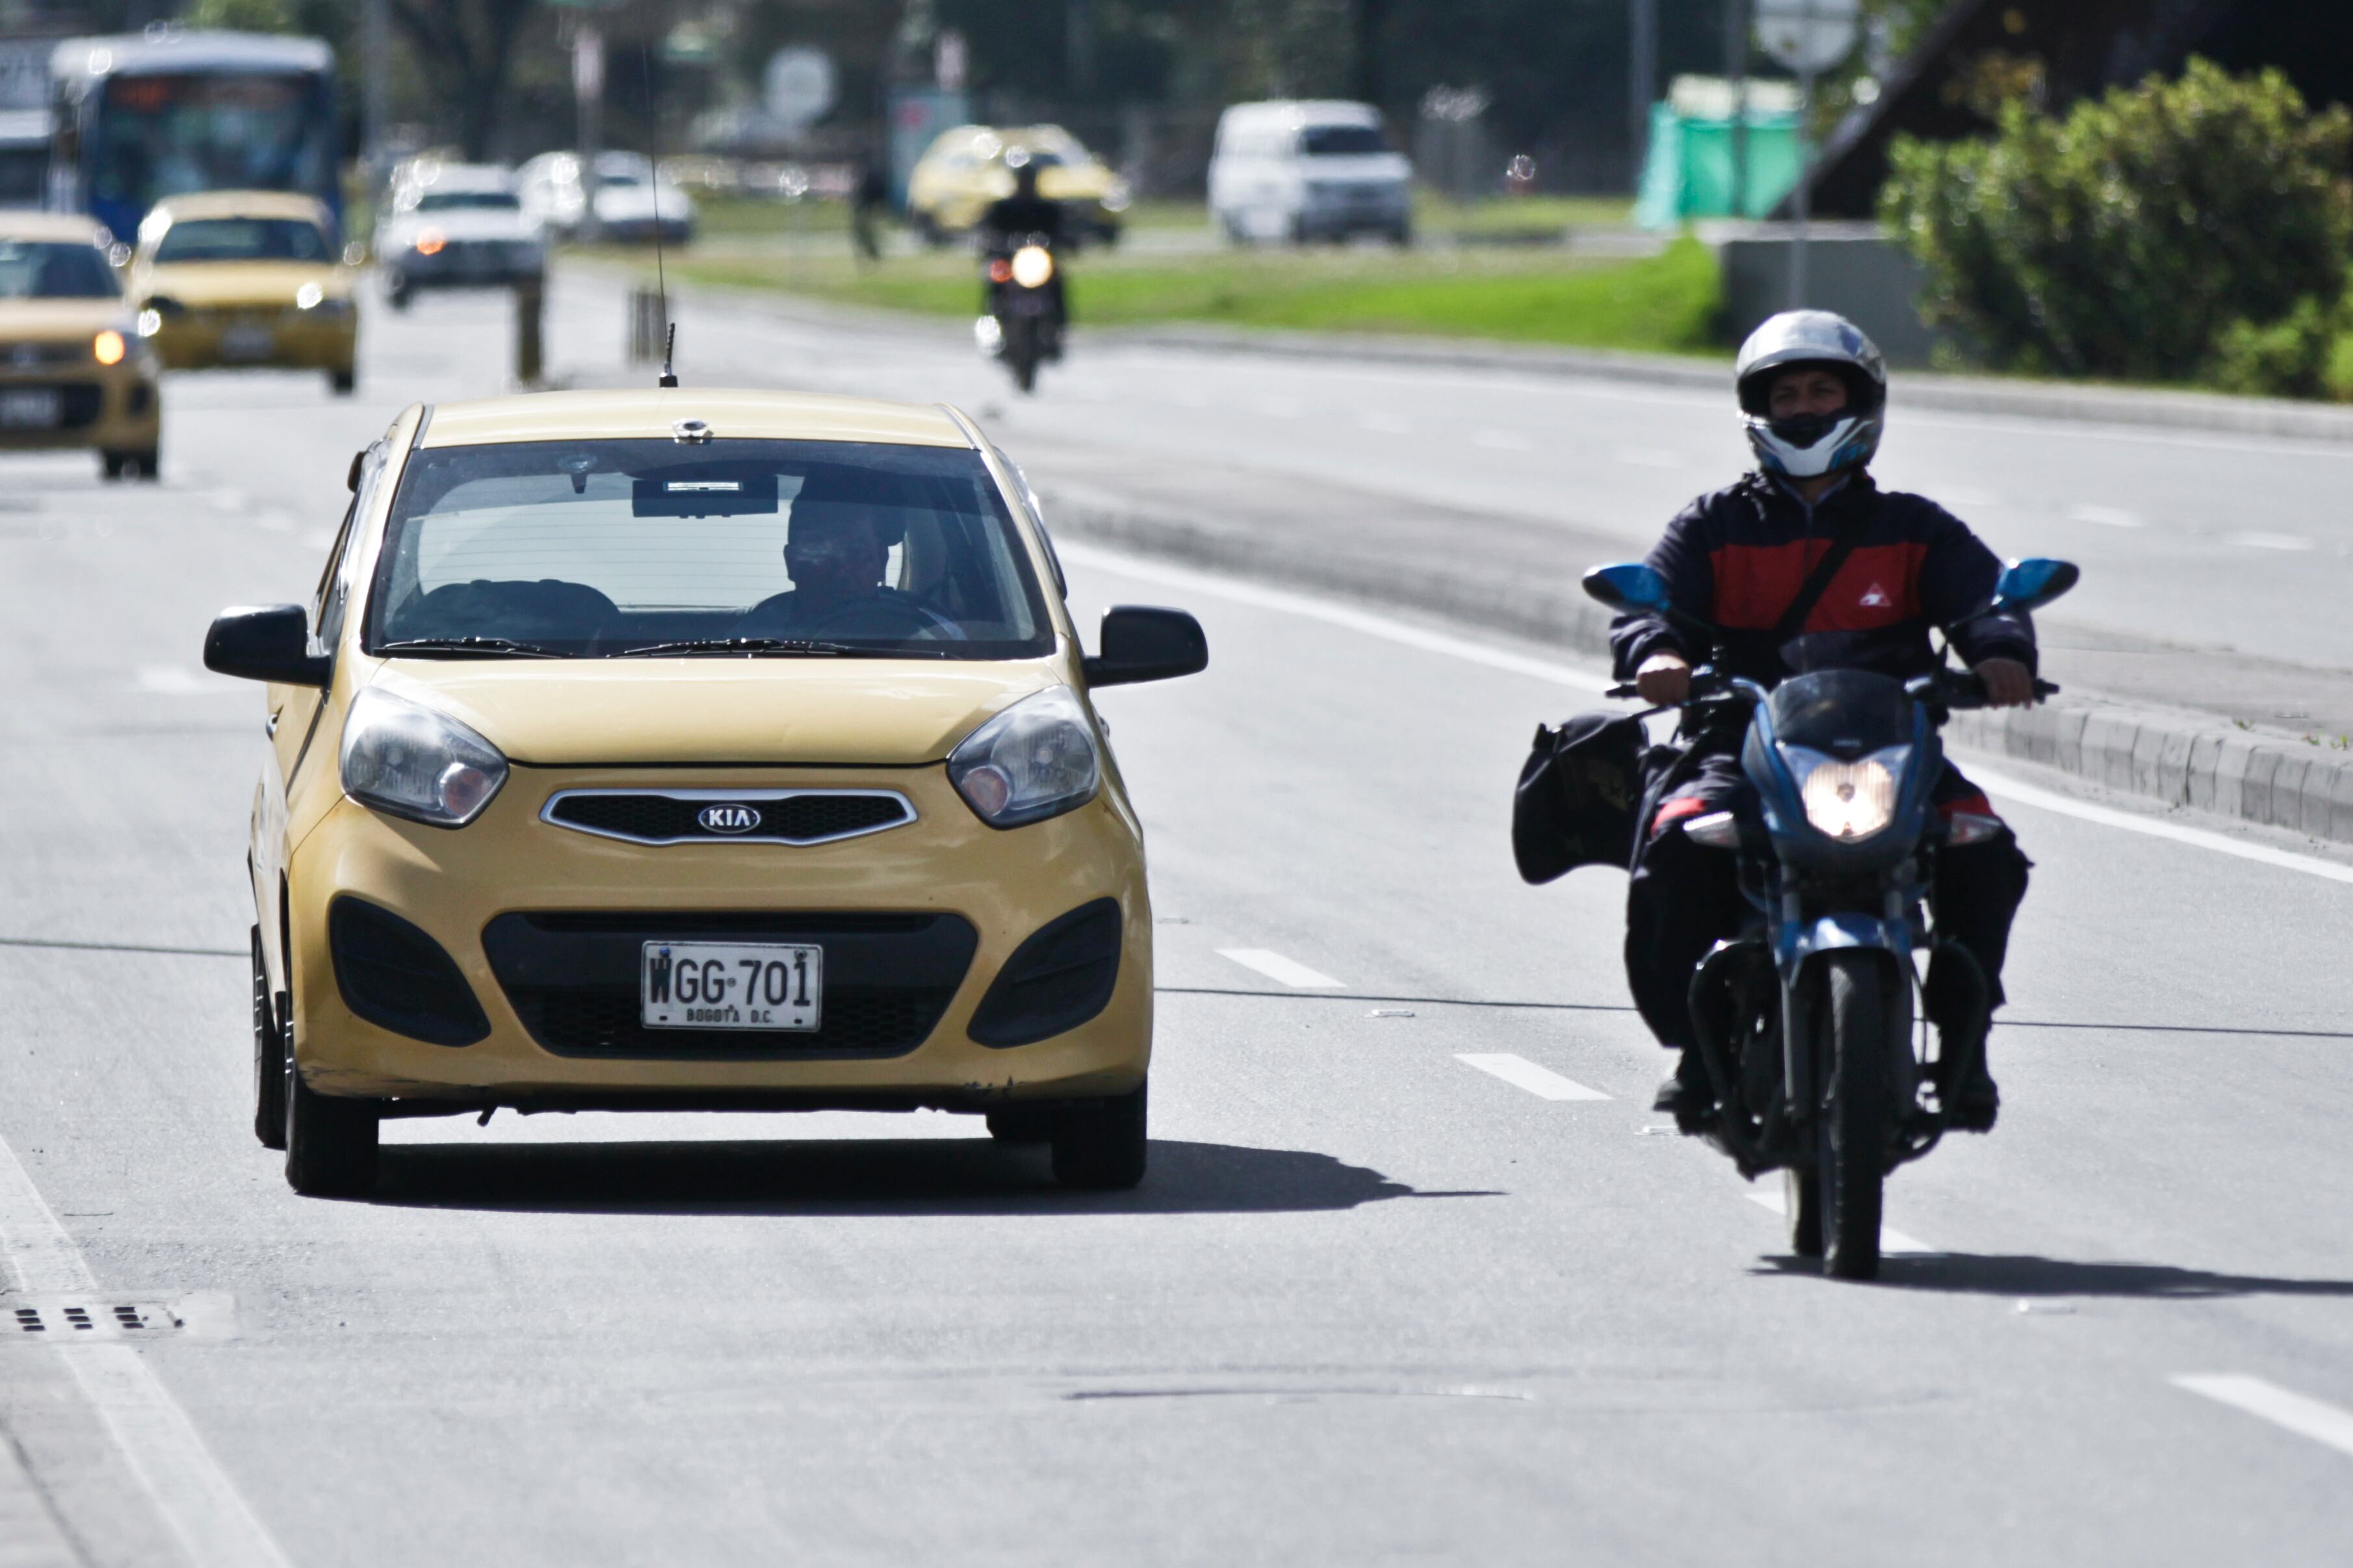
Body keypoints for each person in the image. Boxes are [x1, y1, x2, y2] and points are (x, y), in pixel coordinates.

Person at [1609, 309, 2035, 1133]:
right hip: (1740, 748)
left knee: (1985, 852)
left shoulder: (1914, 527)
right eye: (1786, 396)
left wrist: (2000, 651)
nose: (1803, 409)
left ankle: (1964, 1042)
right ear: (1757, 411)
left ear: (1860, 403)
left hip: (1891, 752)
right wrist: (1654, 654)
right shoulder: (1711, 525)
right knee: (1675, 846)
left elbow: (1985, 599)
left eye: (1821, 391)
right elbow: (1649, 608)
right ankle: (1698, 1047)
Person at [737, 493, 961, 641]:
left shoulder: (932, 634)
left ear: (881, 561)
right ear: (792, 563)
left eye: (858, 554)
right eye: (821, 554)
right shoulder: (751, 637)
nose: (841, 571)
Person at [974, 151, 1069, 352]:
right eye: (1023, 180)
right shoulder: (1003, 208)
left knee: (1057, 277)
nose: (1026, 184)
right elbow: (988, 232)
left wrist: (1066, 242)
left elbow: (1062, 232)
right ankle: (992, 324)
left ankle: (1058, 327)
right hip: (1010, 263)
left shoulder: (1047, 209)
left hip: (1038, 262)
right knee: (995, 276)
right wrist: (992, 245)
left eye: (1029, 180)